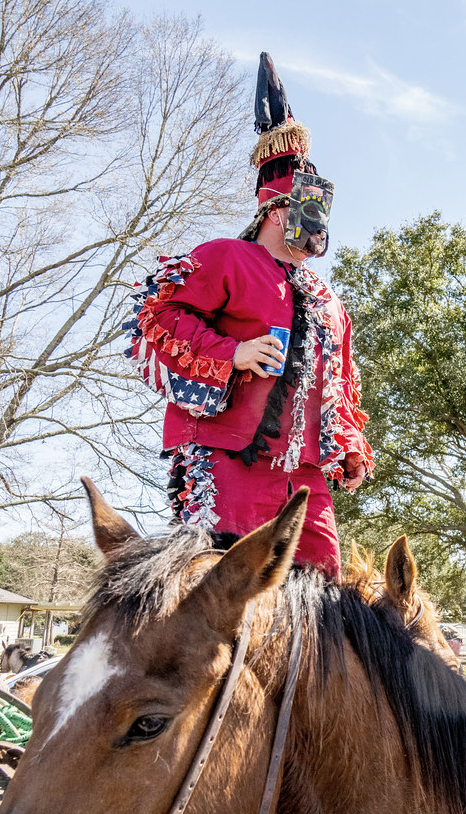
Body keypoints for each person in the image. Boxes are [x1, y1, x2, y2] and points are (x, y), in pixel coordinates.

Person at [126, 53, 372, 577]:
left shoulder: (329, 299)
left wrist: (348, 442)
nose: (320, 228)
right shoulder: (226, 257)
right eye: (310, 213)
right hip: (227, 459)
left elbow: (341, 385)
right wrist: (231, 353)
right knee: (218, 596)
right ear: (279, 209)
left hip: (306, 481)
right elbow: (156, 315)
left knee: (323, 609)